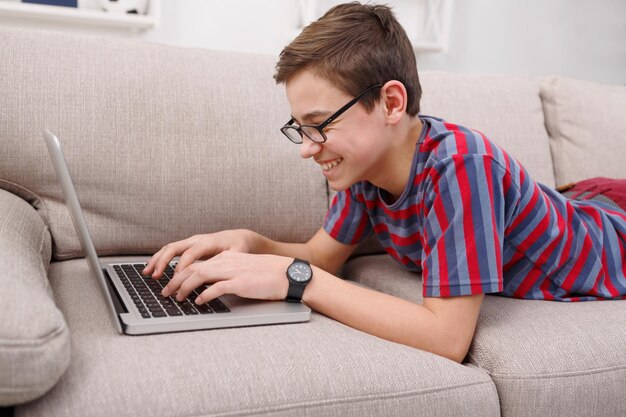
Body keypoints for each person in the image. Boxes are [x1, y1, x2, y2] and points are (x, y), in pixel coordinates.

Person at [142, 2, 626, 363]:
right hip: (581, 200)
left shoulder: (461, 166)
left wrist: (295, 282)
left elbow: (447, 339)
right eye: (300, 129)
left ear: (392, 104)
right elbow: (322, 257)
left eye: (319, 124)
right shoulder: (362, 171)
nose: (307, 148)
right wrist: (251, 243)